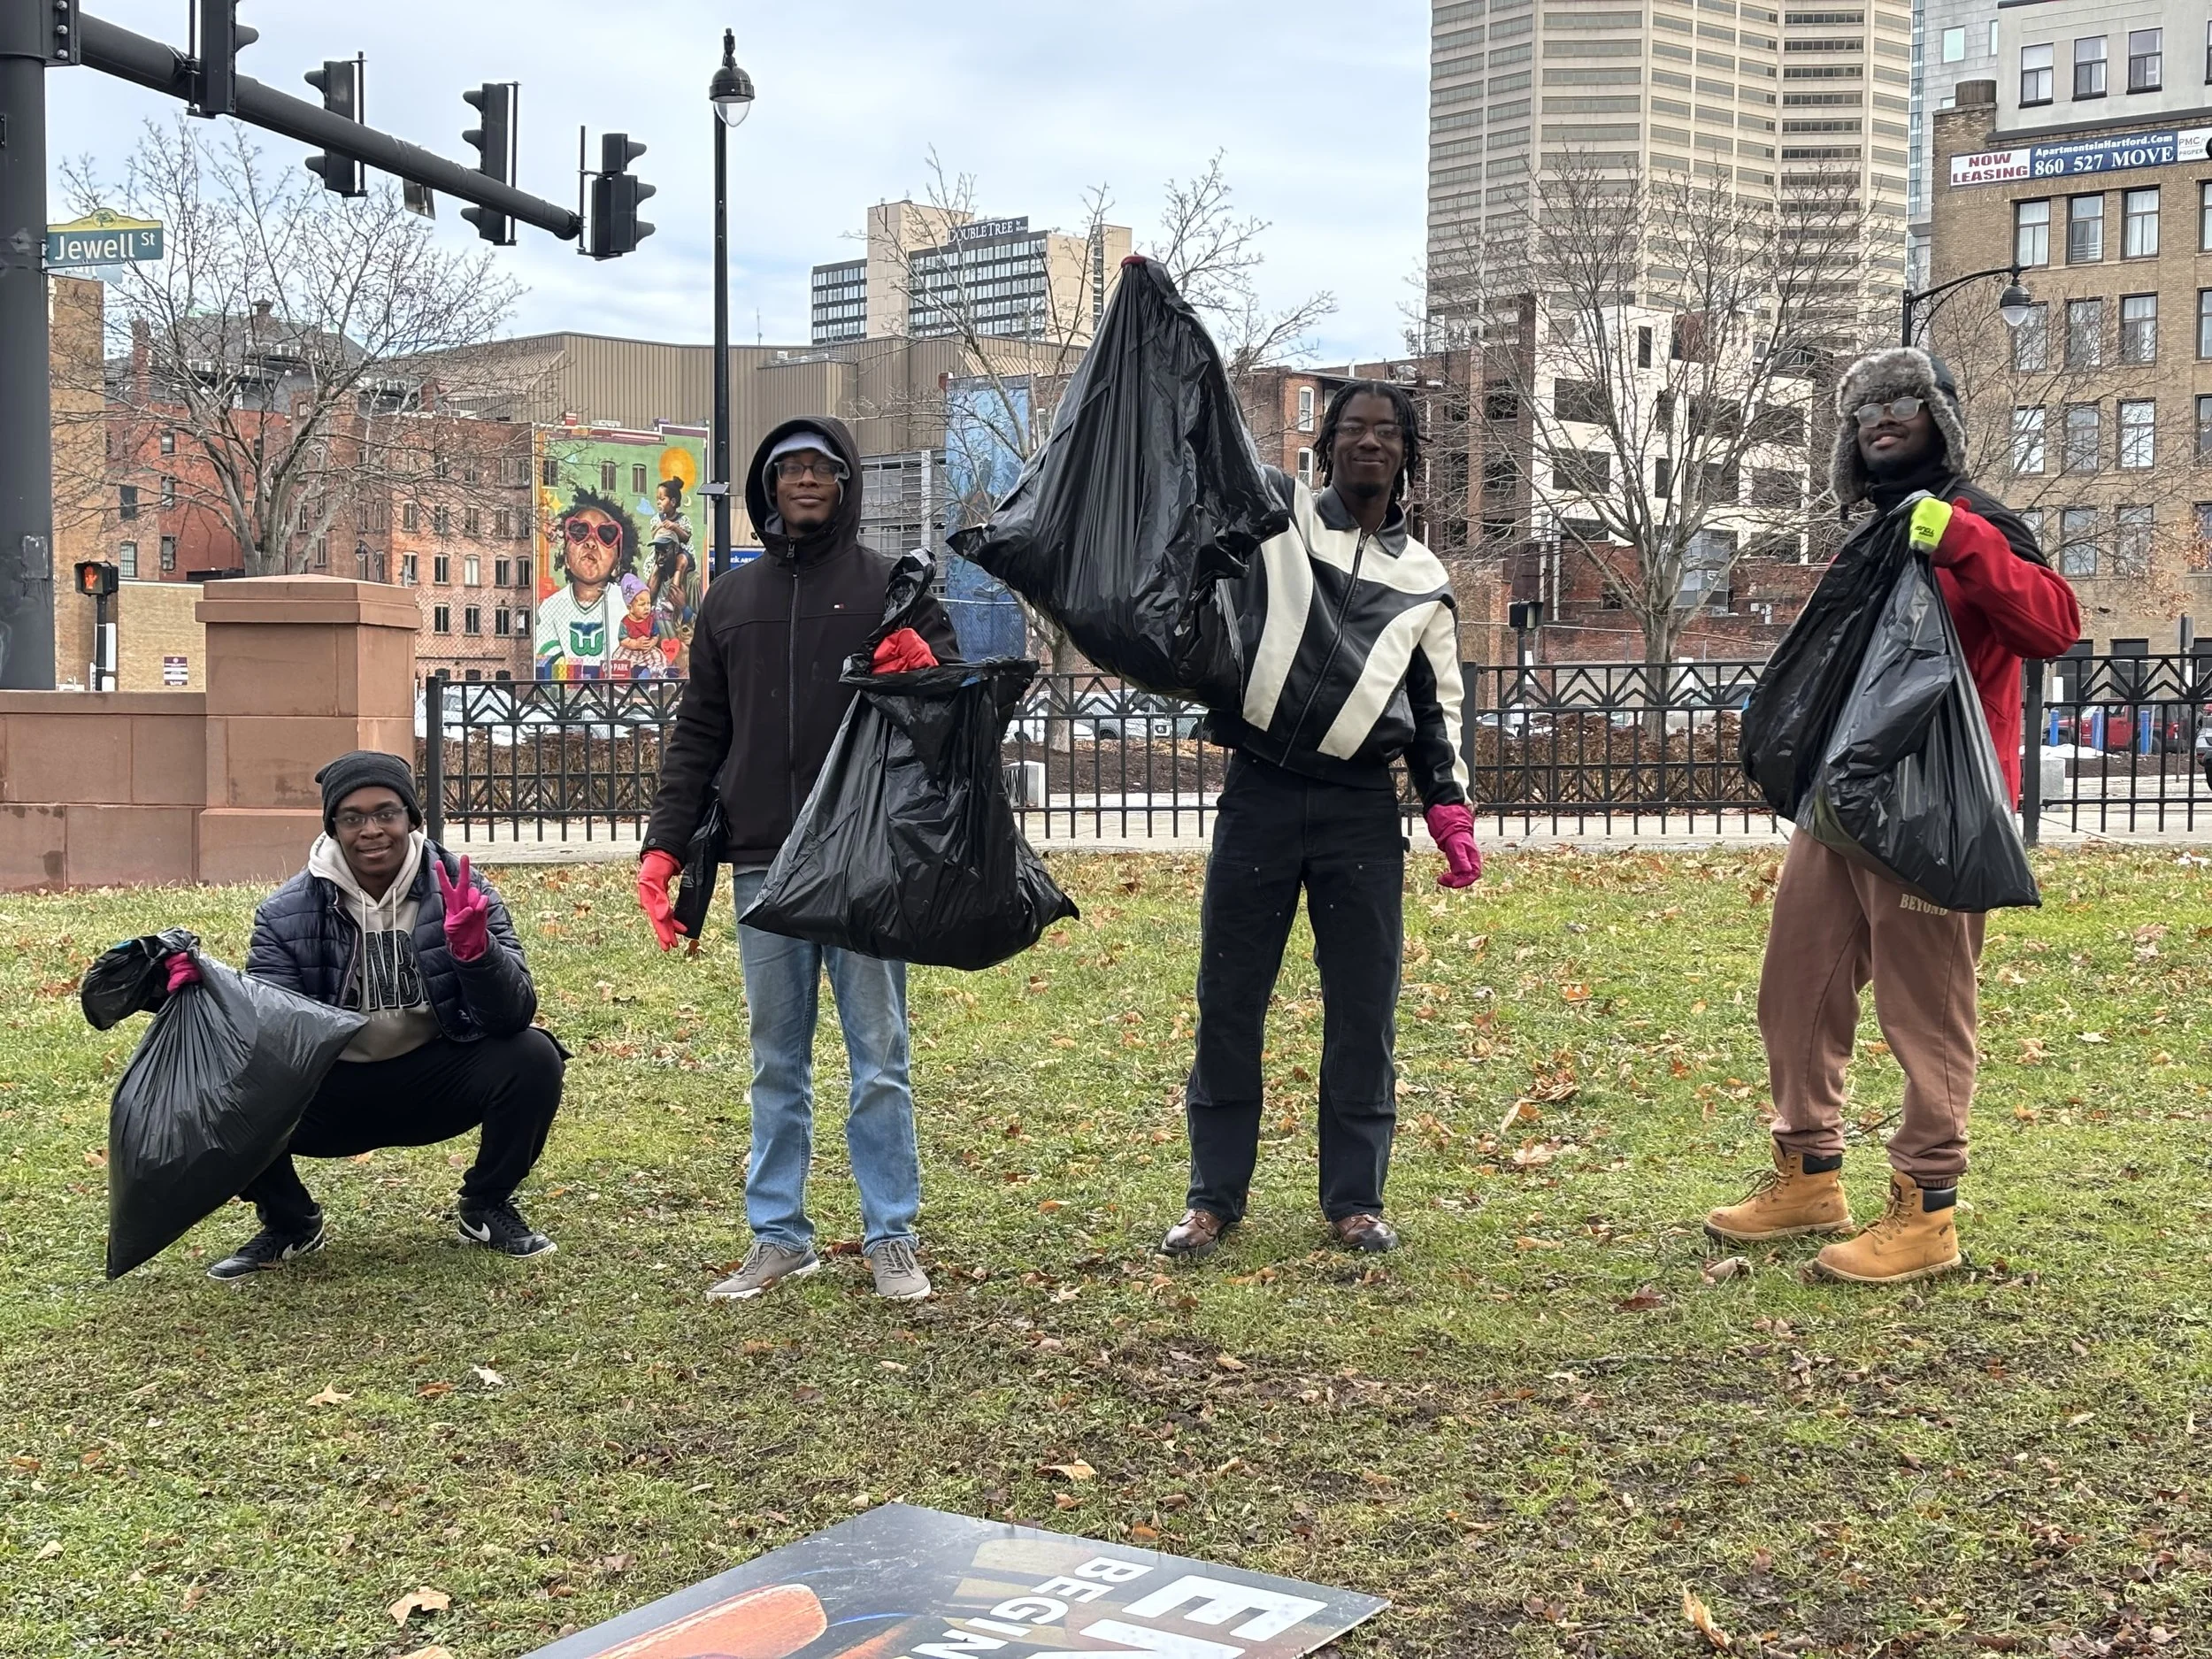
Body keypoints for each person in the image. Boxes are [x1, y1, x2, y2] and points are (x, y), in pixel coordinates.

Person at [1705, 346, 2079, 1285]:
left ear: (1940, 416)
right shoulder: (1870, 533)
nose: (1879, 419)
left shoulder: (1980, 523)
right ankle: (1807, 1173)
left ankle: (1925, 1212)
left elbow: (2053, 625)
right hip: (1844, 800)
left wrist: (1959, 539)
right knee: (1795, 984)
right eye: (1864, 408)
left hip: (1938, 810)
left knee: (1926, 1011)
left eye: (1901, 402)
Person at [638, 419, 959, 1303]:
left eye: (822, 468)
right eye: (791, 470)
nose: (807, 481)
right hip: (762, 860)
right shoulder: (731, 603)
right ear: (768, 486)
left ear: (845, 480)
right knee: (776, 1056)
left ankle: (890, 1233)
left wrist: (923, 665)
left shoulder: (891, 587)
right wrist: (664, 844)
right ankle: (779, 1235)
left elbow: (956, 712)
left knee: (879, 1055)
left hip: (862, 856)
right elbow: (698, 732)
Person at [1161, 381, 1480, 1263]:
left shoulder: (1425, 582)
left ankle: (1355, 1199)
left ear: (1408, 453)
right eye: (1351, 430)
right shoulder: (1282, 522)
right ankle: (1210, 1199)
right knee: (1228, 1002)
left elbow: (1436, 704)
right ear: (1327, 447)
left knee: (1362, 1010)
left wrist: (1449, 809)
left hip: (1358, 810)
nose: (1368, 443)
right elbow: (1211, 453)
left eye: (1386, 432)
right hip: (1259, 793)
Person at [180, 751, 564, 1279]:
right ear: (333, 828)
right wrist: (202, 996)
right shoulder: (286, 913)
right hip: (332, 1087)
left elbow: (510, 1016)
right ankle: (291, 1223)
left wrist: (477, 955)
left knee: (533, 1056)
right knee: (215, 1089)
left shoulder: (463, 890)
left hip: (436, 1076)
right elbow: (271, 1034)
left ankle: (486, 1206)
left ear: (411, 817)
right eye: (352, 817)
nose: (371, 830)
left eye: (386, 812)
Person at [536, 488, 639, 679]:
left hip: (617, 699)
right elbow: (545, 665)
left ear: (618, 562)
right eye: (579, 532)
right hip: (566, 700)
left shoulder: (628, 604)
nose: (591, 543)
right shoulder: (550, 607)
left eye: (606, 535)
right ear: (565, 556)